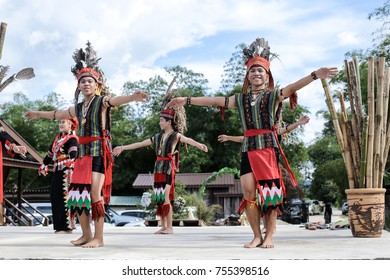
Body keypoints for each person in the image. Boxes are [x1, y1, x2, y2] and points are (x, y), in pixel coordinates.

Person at [168, 37, 337, 248]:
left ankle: (269, 237)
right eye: (252, 71)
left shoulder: (275, 95)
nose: (256, 74)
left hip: (267, 149)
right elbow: (214, 100)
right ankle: (256, 235)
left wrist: (314, 76)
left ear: (267, 76)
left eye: (261, 71)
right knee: (248, 193)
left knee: (270, 194)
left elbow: (293, 86)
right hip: (248, 150)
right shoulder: (240, 100)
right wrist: (187, 100)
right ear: (247, 76)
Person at [25, 42, 149, 248]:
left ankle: (99, 238)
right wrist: (38, 113)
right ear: (78, 85)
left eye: (90, 81)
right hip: (82, 154)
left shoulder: (102, 101)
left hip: (98, 152)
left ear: (97, 84)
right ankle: (85, 235)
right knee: (77, 195)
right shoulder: (78, 108)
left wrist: (132, 97)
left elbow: (117, 100)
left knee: (93, 194)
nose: (86, 84)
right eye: (82, 82)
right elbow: (57, 114)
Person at [112, 89, 208, 234]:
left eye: (162, 120)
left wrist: (199, 145)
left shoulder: (175, 135)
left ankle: (169, 227)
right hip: (158, 168)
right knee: (159, 197)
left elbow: (188, 140)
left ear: (169, 122)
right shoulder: (157, 137)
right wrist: (123, 147)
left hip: (168, 168)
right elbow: (139, 143)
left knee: (166, 197)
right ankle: (163, 226)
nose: (159, 123)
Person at [218, 115, 310, 233]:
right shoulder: (260, 132)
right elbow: (243, 138)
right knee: (261, 199)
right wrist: (228, 137)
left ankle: (270, 226)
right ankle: (265, 227)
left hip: (271, 167)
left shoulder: (274, 131)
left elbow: (285, 129)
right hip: (258, 165)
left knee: (270, 197)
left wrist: (298, 123)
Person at [38, 118, 78, 233]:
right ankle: (59, 226)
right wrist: (44, 164)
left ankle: (67, 227)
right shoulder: (57, 139)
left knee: (65, 197)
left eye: (63, 122)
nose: (60, 124)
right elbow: (50, 154)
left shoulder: (72, 138)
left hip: (67, 171)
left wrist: (72, 159)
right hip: (57, 169)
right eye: (59, 122)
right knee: (55, 196)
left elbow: (74, 152)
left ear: (70, 125)